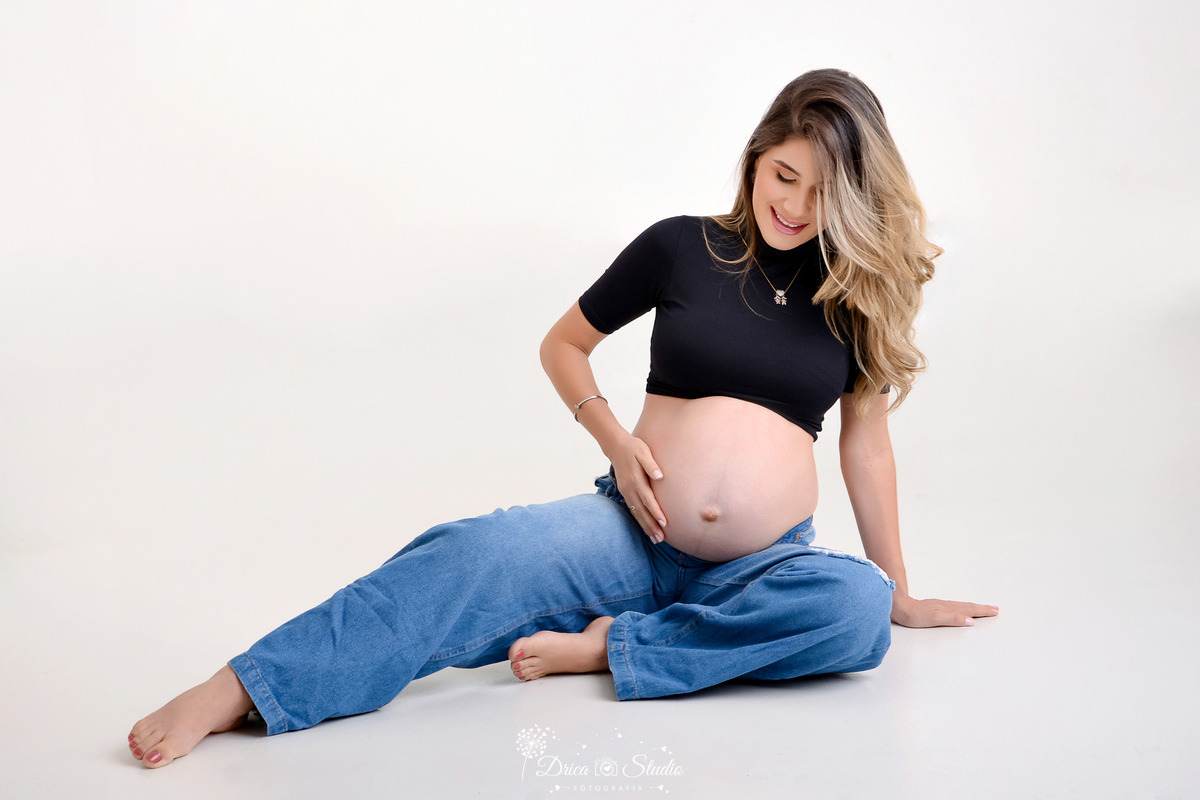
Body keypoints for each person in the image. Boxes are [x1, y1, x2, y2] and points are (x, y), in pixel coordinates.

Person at [127, 68, 998, 769]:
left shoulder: (854, 297)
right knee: (470, 552)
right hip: (629, 531)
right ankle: (243, 688)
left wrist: (900, 591)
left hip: (761, 567)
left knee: (854, 612)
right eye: (784, 176)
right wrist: (617, 443)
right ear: (757, 155)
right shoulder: (680, 245)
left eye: (821, 193)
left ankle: (613, 650)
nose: (795, 207)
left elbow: (867, 446)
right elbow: (563, 345)